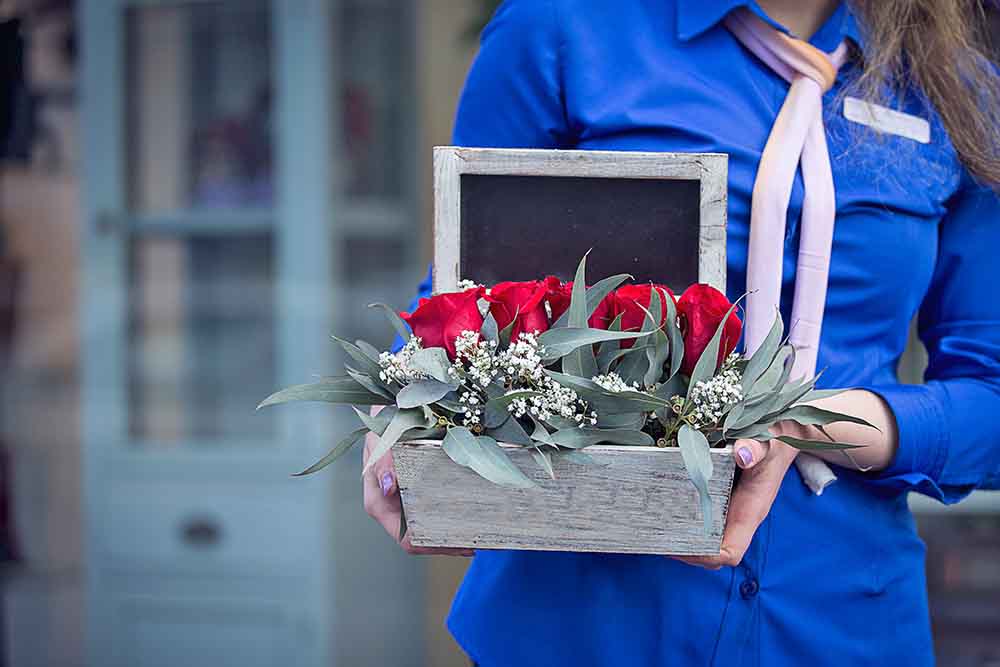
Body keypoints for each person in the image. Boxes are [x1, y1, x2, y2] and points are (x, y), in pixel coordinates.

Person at [363, 1, 1000, 664]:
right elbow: (460, 297)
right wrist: (398, 403)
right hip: (586, 624)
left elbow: (991, 400)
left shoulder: (959, 89)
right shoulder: (559, 30)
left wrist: (800, 423)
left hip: (843, 622)